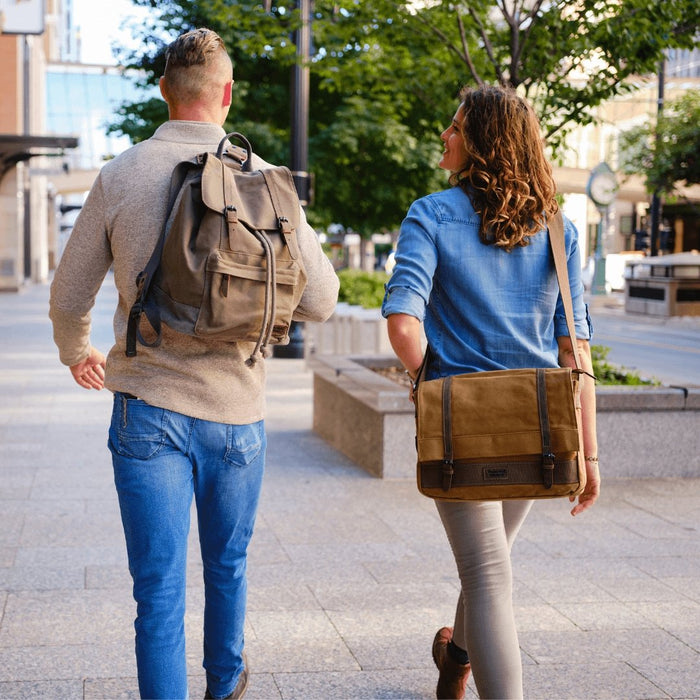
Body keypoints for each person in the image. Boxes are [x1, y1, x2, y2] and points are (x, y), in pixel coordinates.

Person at [49, 28, 339, 700]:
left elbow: (69, 298)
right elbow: (323, 299)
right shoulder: (267, 180)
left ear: (163, 91)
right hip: (238, 412)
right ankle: (225, 688)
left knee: (157, 595)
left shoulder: (120, 175)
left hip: (147, 408)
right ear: (227, 95)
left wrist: (78, 354)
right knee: (228, 568)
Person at [381, 85, 600, 699]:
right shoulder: (559, 228)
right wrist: (591, 452)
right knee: (490, 564)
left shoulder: (430, 214)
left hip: (463, 424)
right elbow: (574, 351)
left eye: (455, 128)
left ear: (482, 141)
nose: (444, 137)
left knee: (487, 573)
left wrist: (430, 384)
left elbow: (404, 324)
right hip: (538, 423)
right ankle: (454, 665)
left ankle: (463, 669)